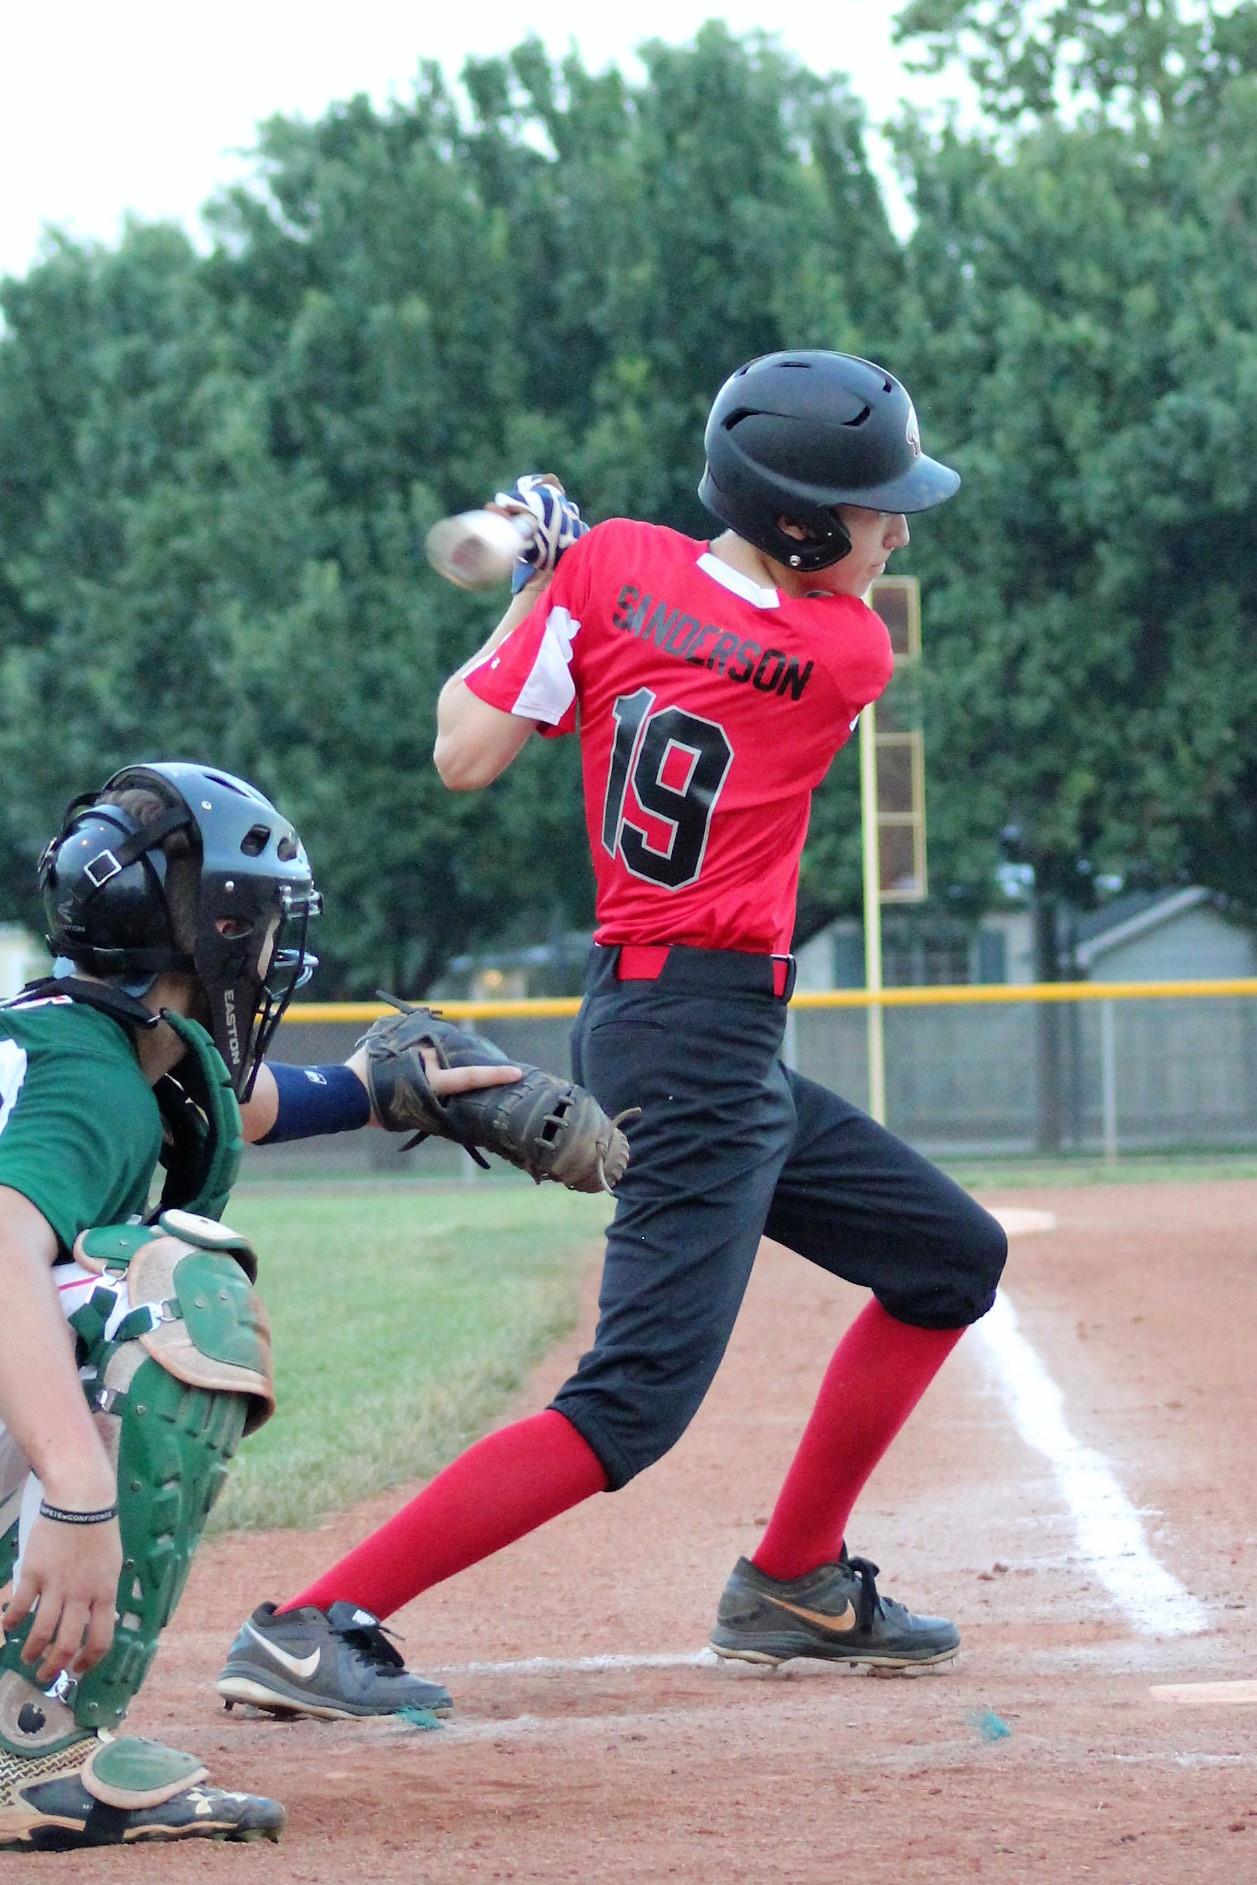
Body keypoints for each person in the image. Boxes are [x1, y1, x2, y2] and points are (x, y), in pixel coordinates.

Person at [217, 349, 1007, 1719]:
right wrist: (569, 573)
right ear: (802, 526)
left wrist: (545, 578)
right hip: (694, 1041)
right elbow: (719, 621)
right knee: (631, 1400)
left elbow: (463, 751)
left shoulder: (611, 570)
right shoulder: (846, 651)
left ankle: (796, 1583)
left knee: (949, 1258)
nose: (896, 532)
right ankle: (311, 1622)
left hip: (686, 1029)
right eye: (876, 511)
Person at [0, 759, 520, 1848]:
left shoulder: (63, 1037)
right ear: (217, 935)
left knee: (89, 1299)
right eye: (262, 921)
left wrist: (373, 1091)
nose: (272, 948)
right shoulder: (91, 1079)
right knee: (176, 1299)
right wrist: (80, 1491)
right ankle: (25, 1741)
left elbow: (216, 1100)